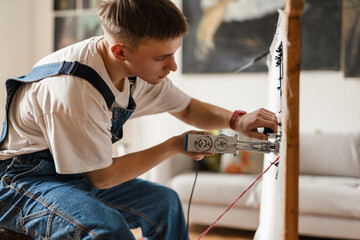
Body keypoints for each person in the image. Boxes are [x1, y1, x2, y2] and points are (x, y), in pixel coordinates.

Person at [0, 0, 278, 239]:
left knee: (165, 202)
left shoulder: (135, 70)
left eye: (174, 53)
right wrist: (174, 145)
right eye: (162, 58)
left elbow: (187, 108)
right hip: (25, 182)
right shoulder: (75, 91)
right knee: (106, 231)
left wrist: (236, 120)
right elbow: (103, 177)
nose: (173, 66)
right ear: (120, 52)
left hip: (76, 177)